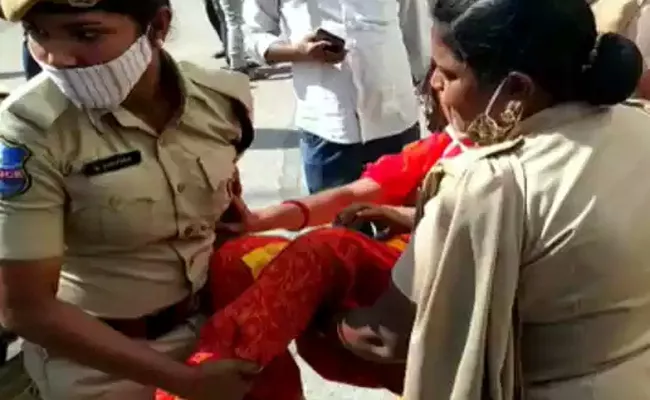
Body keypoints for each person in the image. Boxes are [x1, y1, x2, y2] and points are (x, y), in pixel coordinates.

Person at [166, 0, 650, 399]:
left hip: (534, 385)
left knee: (306, 263)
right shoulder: (637, 125)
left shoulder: (487, 182)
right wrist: (409, 217)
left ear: (516, 89)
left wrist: (314, 325)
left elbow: (382, 340)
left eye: (448, 73)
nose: (434, 86)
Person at [0, 0, 263, 399]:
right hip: (95, 370)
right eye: (37, 33)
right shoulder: (28, 132)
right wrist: (184, 383)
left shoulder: (222, 98)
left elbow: (223, 211)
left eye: (85, 34)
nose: (57, 58)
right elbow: (25, 307)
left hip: (212, 338)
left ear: (157, 25)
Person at [244, 0, 431, 193]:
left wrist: (431, 90)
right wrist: (298, 52)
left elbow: (416, 31)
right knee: (334, 220)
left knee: (404, 217)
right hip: (327, 129)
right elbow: (253, 34)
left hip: (395, 120)